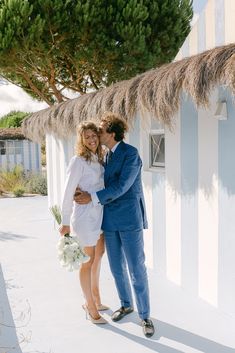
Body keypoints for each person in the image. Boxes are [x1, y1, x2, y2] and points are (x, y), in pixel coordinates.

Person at [75, 112, 155, 337]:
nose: (97, 134)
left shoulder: (131, 154)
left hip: (130, 219)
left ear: (111, 132)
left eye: (100, 130)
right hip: (109, 220)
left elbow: (121, 187)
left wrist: (91, 197)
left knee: (136, 268)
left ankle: (145, 315)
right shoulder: (104, 155)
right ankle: (126, 304)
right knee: (116, 267)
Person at [59, 121, 109, 325]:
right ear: (81, 139)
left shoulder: (99, 159)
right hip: (84, 217)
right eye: (87, 137)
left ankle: (96, 297)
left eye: (94, 136)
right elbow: (67, 191)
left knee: (99, 255)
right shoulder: (78, 161)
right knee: (87, 262)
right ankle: (89, 306)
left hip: (99, 214)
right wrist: (64, 221)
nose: (91, 140)